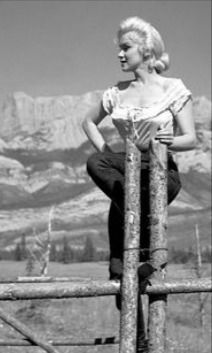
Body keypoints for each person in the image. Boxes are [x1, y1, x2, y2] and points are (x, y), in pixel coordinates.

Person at [82, 16, 196, 353]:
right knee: (120, 271)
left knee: (132, 262)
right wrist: (109, 153)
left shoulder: (173, 87)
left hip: (161, 171)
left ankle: (146, 259)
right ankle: (142, 342)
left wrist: (166, 138)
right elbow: (87, 121)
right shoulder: (115, 92)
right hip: (126, 175)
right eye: (120, 48)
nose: (120, 54)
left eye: (125, 48)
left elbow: (191, 139)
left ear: (145, 51)